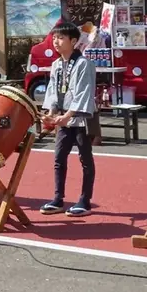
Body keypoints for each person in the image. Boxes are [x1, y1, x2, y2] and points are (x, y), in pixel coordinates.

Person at [40, 21, 97, 217]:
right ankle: (58, 199)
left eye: (61, 38)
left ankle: (85, 200)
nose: (56, 41)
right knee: (59, 158)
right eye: (54, 37)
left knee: (85, 159)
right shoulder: (56, 65)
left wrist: (67, 116)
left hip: (81, 117)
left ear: (73, 41)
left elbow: (84, 93)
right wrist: (50, 113)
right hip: (63, 118)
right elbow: (53, 92)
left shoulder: (84, 64)